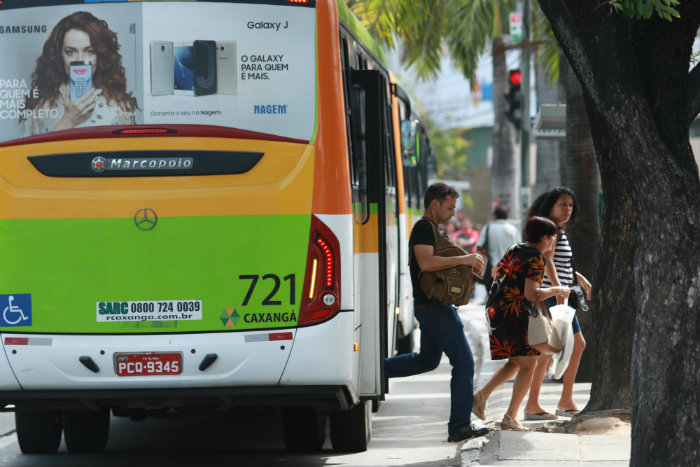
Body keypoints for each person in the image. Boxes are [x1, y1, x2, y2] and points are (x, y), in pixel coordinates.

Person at [384, 182, 488, 443]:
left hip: (432, 307)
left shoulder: (432, 228)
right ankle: (460, 426)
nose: (453, 213)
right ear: (435, 204)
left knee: (427, 361)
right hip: (433, 309)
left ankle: (374, 372)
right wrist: (464, 259)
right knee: (464, 362)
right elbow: (426, 262)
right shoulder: (422, 228)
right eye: (450, 207)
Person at [471, 216, 570, 431]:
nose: (554, 240)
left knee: (517, 361)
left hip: (497, 310)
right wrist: (558, 290)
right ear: (544, 238)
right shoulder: (536, 258)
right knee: (529, 364)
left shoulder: (516, 248)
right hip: (514, 314)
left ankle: (481, 397)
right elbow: (532, 293)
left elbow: (495, 271)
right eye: (553, 237)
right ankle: (509, 417)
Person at [522, 187, 592, 420]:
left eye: (571, 205)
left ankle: (561, 401)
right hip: (553, 295)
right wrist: (560, 290)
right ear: (550, 206)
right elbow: (547, 261)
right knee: (553, 348)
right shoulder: (551, 231)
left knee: (559, 348)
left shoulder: (557, 230)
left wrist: (578, 278)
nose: (568, 209)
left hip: (558, 292)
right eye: (563, 204)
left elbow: (563, 263)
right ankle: (539, 404)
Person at [20, 11, 139, 136]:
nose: (80, 60)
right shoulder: (41, 104)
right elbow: (27, 153)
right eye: (70, 52)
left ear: (100, 55)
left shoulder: (118, 104)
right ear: (59, 55)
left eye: (90, 51)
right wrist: (68, 121)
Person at [476, 207, 521, 290]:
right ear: (507, 217)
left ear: (495, 216)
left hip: (491, 270)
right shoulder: (514, 229)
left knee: (492, 297)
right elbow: (519, 249)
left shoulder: (488, 228)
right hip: (509, 270)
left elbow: (479, 247)